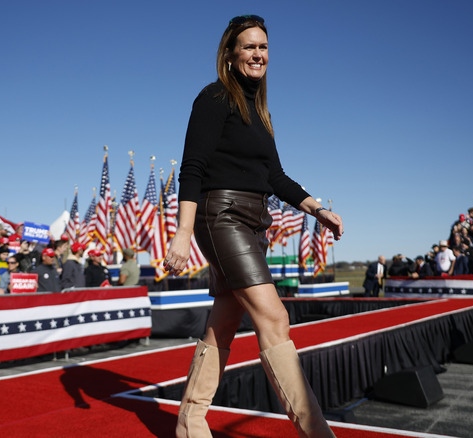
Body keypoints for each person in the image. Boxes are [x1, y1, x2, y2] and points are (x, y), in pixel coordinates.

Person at [166, 15, 342, 438]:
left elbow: (275, 177)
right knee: (274, 316)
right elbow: (192, 168)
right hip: (220, 215)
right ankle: (317, 433)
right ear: (230, 56)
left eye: (263, 47)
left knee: (225, 319)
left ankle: (190, 424)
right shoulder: (213, 98)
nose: (258, 54)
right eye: (248, 47)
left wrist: (317, 209)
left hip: (253, 220)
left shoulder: (260, 113)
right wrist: (182, 232)